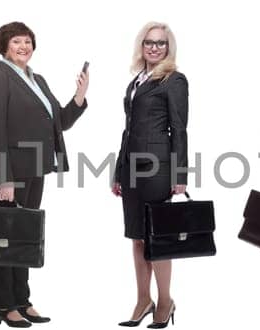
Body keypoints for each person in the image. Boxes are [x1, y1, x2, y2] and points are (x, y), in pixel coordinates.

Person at [0, 21, 89, 328]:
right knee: (5, 240)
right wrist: (4, 179)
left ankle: (22, 300)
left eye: (27, 41)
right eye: (16, 42)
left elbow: (59, 122)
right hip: (11, 174)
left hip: (38, 168)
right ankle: (4, 305)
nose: (23, 47)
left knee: (25, 238)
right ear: (4, 46)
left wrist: (79, 97)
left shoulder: (36, 79)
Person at [110, 21, 188, 329]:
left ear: (168, 48)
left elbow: (179, 128)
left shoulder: (174, 79)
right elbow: (128, 130)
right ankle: (143, 299)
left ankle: (165, 300)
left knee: (158, 238)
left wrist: (179, 173)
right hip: (131, 168)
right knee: (137, 237)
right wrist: (118, 171)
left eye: (160, 43)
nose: (154, 47)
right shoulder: (137, 81)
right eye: (149, 42)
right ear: (141, 46)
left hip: (157, 168)